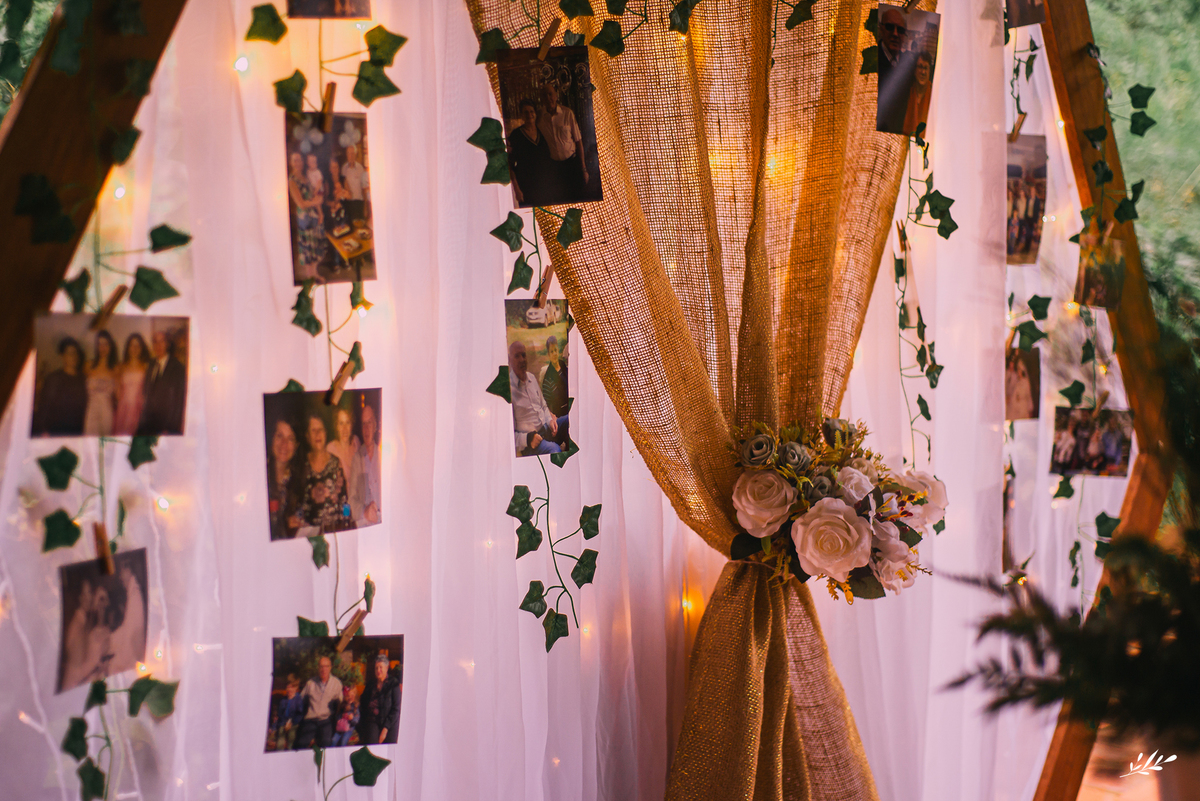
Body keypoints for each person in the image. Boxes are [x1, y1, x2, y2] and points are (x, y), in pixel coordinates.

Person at [59, 564, 144, 692]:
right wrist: (94, 662)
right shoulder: (77, 625)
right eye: (88, 593)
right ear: (80, 597)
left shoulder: (86, 619)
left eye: (91, 593)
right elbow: (72, 676)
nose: (91, 598)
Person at [509, 340, 569, 456]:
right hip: (532, 442)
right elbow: (507, 433)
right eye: (517, 356)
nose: (522, 359)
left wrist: (550, 421)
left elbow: (543, 405)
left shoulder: (531, 378)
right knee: (555, 450)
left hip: (546, 428)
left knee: (569, 419)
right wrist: (527, 439)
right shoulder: (509, 389)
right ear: (509, 359)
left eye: (523, 355)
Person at [299, 413, 351, 530]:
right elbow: (297, 506)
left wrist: (347, 523)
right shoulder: (301, 466)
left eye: (321, 430)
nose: (318, 434)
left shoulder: (336, 463)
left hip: (334, 529)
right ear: (307, 436)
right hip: (310, 535)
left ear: (326, 433)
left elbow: (344, 501)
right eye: (313, 430)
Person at [538, 82, 588, 201]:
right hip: (555, 167)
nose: (548, 98)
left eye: (550, 94)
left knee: (577, 196)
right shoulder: (539, 117)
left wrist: (584, 168)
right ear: (542, 99)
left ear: (556, 96)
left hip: (572, 163)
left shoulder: (567, 113)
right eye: (545, 95)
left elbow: (578, 141)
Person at [33, 336, 88, 436]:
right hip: (56, 431)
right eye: (70, 353)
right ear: (62, 356)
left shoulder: (84, 379)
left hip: (78, 432)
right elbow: (44, 407)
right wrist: (43, 430)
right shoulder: (53, 379)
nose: (74, 356)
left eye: (75, 353)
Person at [137, 330, 187, 435]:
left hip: (167, 427)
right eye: (155, 342)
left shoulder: (177, 367)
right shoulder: (150, 365)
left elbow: (179, 401)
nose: (158, 345)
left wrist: (170, 428)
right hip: (149, 426)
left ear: (167, 344)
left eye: (162, 342)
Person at [508, 99, 556, 206]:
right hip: (526, 188)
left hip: (545, 186)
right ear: (522, 115)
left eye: (531, 111)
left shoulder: (543, 132)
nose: (529, 115)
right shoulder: (516, 135)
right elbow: (510, 164)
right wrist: (516, 189)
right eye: (526, 112)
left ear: (535, 113)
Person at [876, 6, 916, 134]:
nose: (895, 34)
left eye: (900, 30)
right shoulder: (873, 59)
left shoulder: (911, 65)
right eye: (889, 27)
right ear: (881, 28)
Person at [288, 151, 326, 280]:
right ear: (291, 163)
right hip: (305, 219)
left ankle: (315, 274)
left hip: (314, 216)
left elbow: (314, 195)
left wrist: (321, 213)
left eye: (300, 160)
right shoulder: (292, 181)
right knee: (308, 249)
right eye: (295, 160)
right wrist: (315, 201)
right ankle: (310, 278)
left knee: (315, 246)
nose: (298, 163)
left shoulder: (306, 177)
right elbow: (301, 204)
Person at [327, 406, 367, 523]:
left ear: (352, 425)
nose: (344, 429)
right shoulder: (331, 449)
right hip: (340, 508)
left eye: (347, 423)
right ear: (336, 427)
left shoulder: (356, 442)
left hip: (359, 505)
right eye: (341, 423)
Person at [268, 418, 305, 540]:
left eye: (290, 439)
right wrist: (284, 523)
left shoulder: (298, 480)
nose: (284, 444)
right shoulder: (259, 476)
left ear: (296, 446)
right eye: (279, 436)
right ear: (271, 438)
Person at [296, 655, 343, 749]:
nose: (323, 669)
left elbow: (341, 703)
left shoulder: (336, 683)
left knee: (326, 744)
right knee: (301, 744)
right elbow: (299, 700)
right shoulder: (311, 683)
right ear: (318, 668)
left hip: (326, 720)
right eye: (321, 666)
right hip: (311, 719)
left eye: (326, 666)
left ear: (330, 668)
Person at [356, 654, 400, 745]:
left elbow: (396, 709)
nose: (378, 670)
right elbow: (363, 704)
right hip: (373, 720)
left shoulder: (393, 683)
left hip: (389, 722)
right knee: (372, 745)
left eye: (381, 667)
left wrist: (385, 728)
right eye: (376, 668)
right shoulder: (371, 684)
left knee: (389, 748)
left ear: (387, 668)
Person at [83, 330, 119, 436]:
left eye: (106, 344)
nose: (102, 348)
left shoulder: (116, 368)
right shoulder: (88, 365)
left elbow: (118, 395)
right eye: (99, 344)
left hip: (107, 412)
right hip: (90, 411)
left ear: (111, 346)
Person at [113, 333, 150, 435]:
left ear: (142, 348)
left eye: (138, 346)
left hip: (139, 409)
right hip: (123, 409)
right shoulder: (120, 367)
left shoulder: (146, 367)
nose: (134, 349)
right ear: (128, 347)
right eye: (132, 345)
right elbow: (117, 394)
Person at [359, 400, 381, 525]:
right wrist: (364, 512)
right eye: (364, 424)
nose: (366, 428)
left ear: (376, 426)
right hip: (365, 524)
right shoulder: (357, 461)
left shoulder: (385, 458)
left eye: (370, 423)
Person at [902, 51, 933, 136]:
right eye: (920, 67)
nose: (923, 72)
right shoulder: (906, 93)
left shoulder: (934, 95)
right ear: (915, 70)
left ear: (930, 71)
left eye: (926, 68)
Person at [538, 335, 569, 418]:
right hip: (560, 417)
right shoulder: (548, 379)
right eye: (552, 352)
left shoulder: (563, 366)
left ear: (558, 350)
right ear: (548, 354)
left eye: (555, 350)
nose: (554, 354)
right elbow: (545, 405)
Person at [274, 675, 306, 751]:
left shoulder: (298, 700)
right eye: (288, 687)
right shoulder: (283, 700)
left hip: (293, 724)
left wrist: (291, 722)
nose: (290, 689)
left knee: (291, 739)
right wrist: (282, 723)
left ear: (296, 688)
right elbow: (280, 714)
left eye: (292, 687)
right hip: (283, 723)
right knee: (280, 742)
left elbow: (300, 714)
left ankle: (290, 751)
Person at [339, 143, 369, 224]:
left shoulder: (360, 168)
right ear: (346, 155)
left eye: (352, 153)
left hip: (359, 204)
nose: (350, 156)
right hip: (348, 204)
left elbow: (364, 188)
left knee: (360, 227)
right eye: (348, 153)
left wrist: (365, 206)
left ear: (355, 154)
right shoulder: (343, 169)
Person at [1004, 349, 1036, 420]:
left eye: (1019, 370)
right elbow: (1011, 390)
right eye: (1018, 369)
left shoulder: (1025, 382)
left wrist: (1030, 409)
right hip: (1014, 406)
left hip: (1022, 407)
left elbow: (1028, 395)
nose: (1018, 372)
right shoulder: (1015, 380)